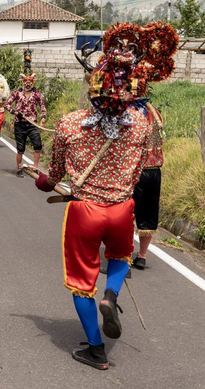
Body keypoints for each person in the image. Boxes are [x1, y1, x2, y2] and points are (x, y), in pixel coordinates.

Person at [34, 22, 178, 370]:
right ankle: (111, 295)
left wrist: (42, 182)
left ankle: (96, 350)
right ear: (129, 91)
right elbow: (143, 165)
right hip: (122, 209)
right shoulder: (143, 125)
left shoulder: (69, 124)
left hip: (85, 211)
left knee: (81, 283)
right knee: (119, 256)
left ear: (93, 86)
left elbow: (54, 175)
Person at [131, 99, 165, 269]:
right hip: (154, 170)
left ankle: (122, 254)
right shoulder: (155, 112)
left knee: (126, 214)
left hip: (135, 170)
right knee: (148, 215)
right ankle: (142, 256)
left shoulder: (128, 113)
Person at [5, 72, 46, 176]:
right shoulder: (17, 93)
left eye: (30, 83)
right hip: (19, 124)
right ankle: (19, 169)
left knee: (37, 146)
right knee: (20, 149)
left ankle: (35, 168)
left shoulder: (37, 93)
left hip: (32, 124)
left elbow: (42, 106)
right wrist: (15, 112)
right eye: (26, 83)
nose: (28, 85)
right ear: (23, 83)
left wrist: (43, 119)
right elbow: (7, 104)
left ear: (32, 83)